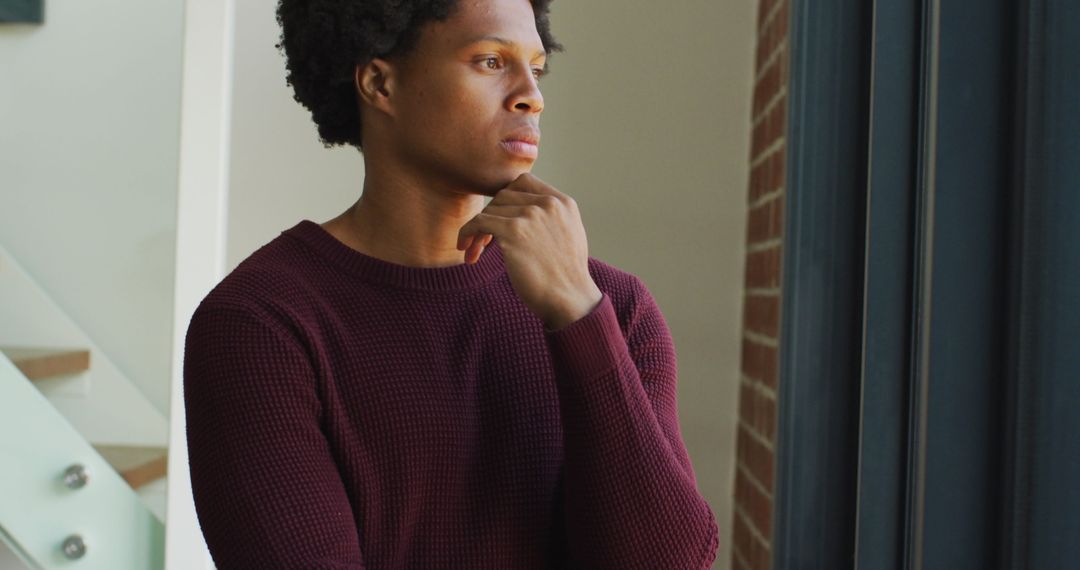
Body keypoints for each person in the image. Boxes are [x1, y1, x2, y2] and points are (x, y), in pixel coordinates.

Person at [182, 0, 720, 567]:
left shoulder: (615, 309)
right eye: (490, 61)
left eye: (536, 69)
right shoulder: (261, 323)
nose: (530, 95)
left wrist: (578, 314)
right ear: (380, 83)